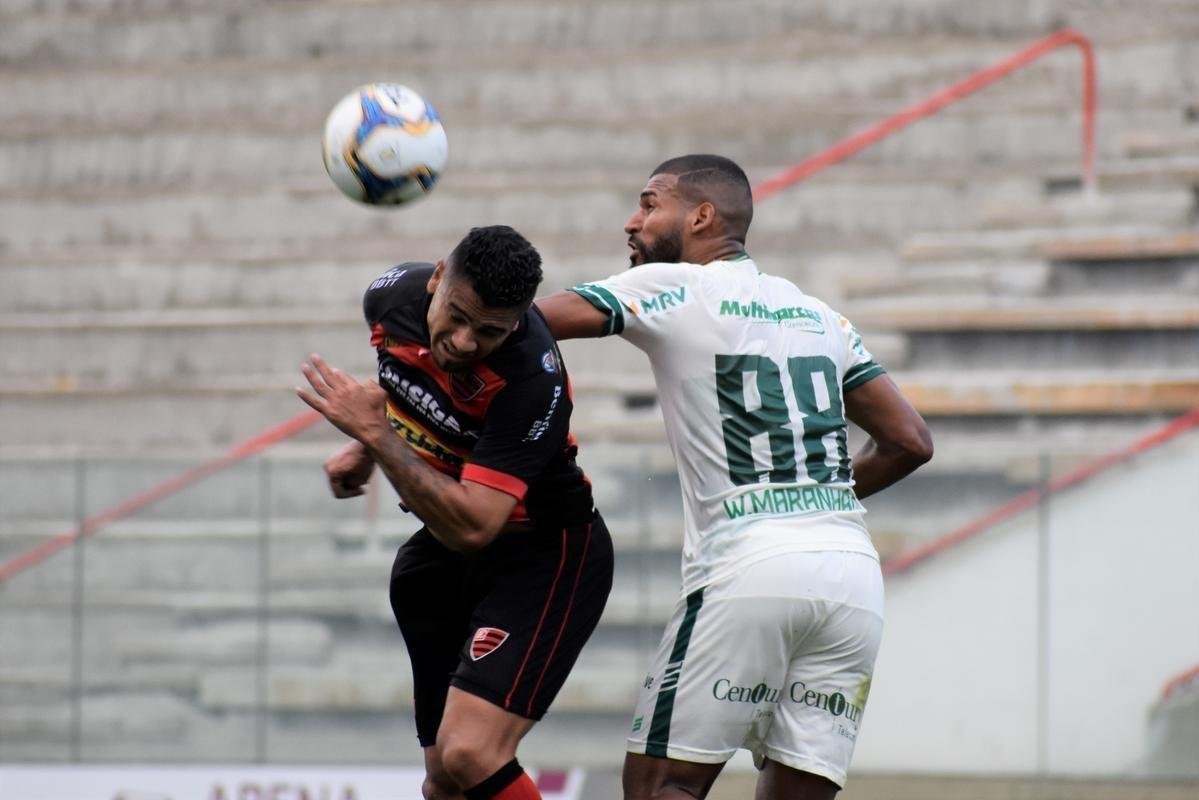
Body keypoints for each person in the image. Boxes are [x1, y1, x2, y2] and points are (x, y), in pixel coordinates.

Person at [536, 155, 933, 800]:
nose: (632, 222)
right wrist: (811, 500)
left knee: (664, 785)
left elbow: (527, 323)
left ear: (700, 216)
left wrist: (438, 314)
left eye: (649, 204)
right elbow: (910, 441)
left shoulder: (672, 287)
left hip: (749, 570)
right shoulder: (819, 316)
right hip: (852, 579)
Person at [297, 225, 614, 800]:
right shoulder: (390, 295)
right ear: (438, 278)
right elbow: (412, 382)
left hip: (544, 554)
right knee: (443, 780)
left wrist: (376, 436)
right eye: (458, 316)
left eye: (489, 331)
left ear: (516, 322)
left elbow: (475, 525)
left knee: (472, 753)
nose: (465, 341)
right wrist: (372, 445)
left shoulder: (532, 380)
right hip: (442, 557)